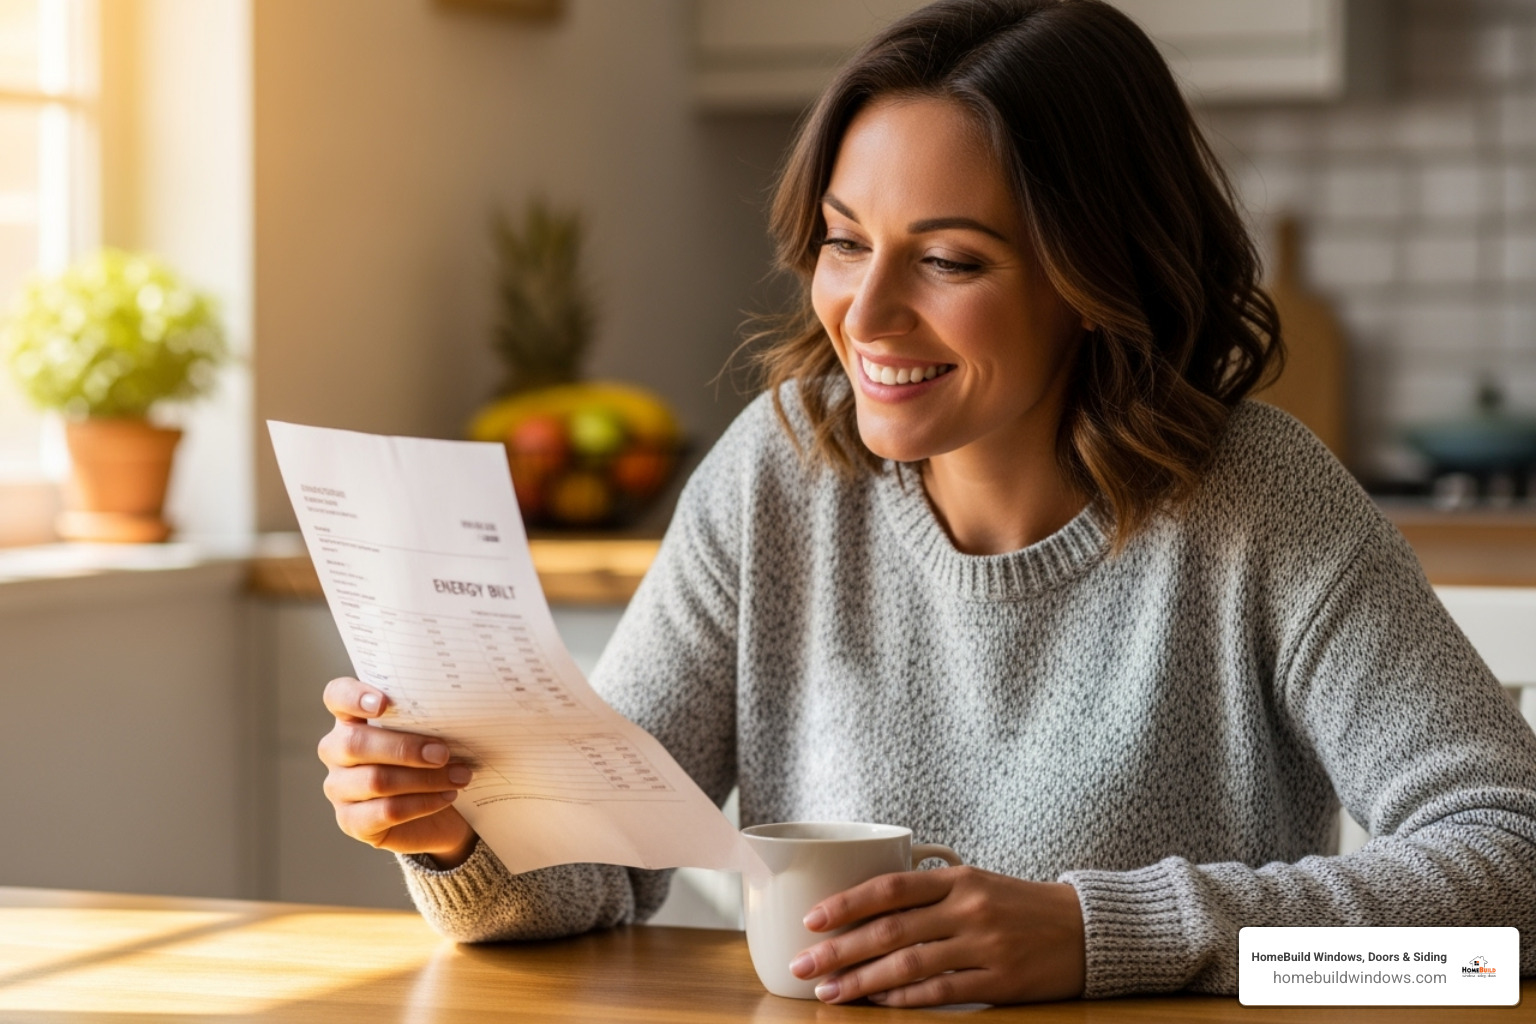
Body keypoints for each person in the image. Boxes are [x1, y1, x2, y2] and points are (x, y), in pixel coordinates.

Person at [317, 0, 1536, 1006]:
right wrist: (456, 830)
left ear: (1095, 276)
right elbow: (597, 869)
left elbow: (1514, 874)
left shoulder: (1259, 502)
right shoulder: (778, 471)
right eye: (847, 242)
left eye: (950, 259)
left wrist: (1101, 932)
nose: (867, 313)